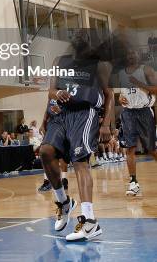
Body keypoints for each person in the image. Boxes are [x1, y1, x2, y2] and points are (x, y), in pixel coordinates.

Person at [39, 31, 113, 241]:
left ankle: (90, 221)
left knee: (81, 163)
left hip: (84, 113)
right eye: (78, 37)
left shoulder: (99, 65)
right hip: (60, 114)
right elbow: (51, 91)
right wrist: (49, 107)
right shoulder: (59, 61)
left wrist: (106, 124)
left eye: (85, 38)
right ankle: (63, 202)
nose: (81, 40)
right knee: (45, 152)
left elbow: (109, 95)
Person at [118, 49, 157, 196]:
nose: (131, 55)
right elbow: (123, 93)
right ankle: (133, 182)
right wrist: (120, 98)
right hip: (128, 112)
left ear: (138, 55)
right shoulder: (121, 73)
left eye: (133, 53)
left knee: (151, 149)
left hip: (144, 112)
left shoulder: (146, 70)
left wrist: (139, 83)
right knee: (130, 148)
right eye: (128, 53)